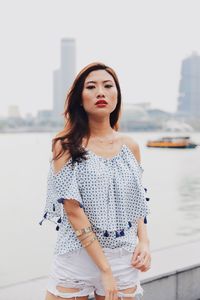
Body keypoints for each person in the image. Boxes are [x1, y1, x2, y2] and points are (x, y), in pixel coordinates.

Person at [39, 62, 151, 300]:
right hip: (77, 254)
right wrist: (104, 270)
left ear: (116, 96)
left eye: (108, 86)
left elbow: (136, 201)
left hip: (123, 253)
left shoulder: (130, 146)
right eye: (91, 87)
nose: (100, 92)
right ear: (80, 99)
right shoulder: (66, 145)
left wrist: (144, 241)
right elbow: (73, 211)